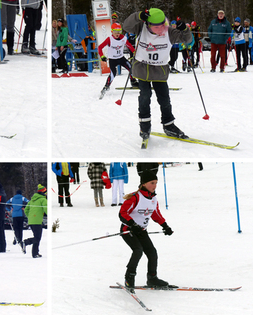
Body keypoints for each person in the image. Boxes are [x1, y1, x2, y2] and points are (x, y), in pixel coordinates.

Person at [123, 8, 193, 140]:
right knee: (145, 96)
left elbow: (187, 40)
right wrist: (138, 16)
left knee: (164, 98)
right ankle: (144, 125)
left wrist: (185, 29)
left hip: (160, 70)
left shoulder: (169, 32)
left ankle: (169, 125)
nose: (160, 28)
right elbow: (126, 26)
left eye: (162, 24)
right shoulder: (140, 27)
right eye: (156, 26)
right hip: (143, 69)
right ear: (148, 24)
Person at [119, 169, 174, 291]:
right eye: (152, 183)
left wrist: (165, 226)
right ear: (143, 183)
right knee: (138, 250)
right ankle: (129, 278)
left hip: (141, 231)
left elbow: (155, 214)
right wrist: (132, 225)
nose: (154, 186)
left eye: (156, 183)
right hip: (128, 230)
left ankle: (152, 278)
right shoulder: (134, 197)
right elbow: (122, 214)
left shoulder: (153, 199)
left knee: (152, 252)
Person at [98, 22, 138, 98]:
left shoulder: (123, 38)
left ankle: (133, 82)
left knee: (131, 68)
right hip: (113, 59)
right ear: (112, 31)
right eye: (115, 32)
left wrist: (134, 51)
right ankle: (106, 86)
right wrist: (102, 56)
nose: (117, 34)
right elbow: (100, 47)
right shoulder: (109, 39)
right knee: (113, 73)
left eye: (119, 31)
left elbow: (129, 45)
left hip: (121, 58)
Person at [22, 184, 47, 258]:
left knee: (36, 237)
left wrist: (29, 217)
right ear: (43, 193)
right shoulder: (43, 199)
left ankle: (35, 252)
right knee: (37, 237)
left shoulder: (32, 200)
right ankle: (26, 243)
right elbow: (46, 208)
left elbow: (26, 209)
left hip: (31, 221)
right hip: (37, 221)